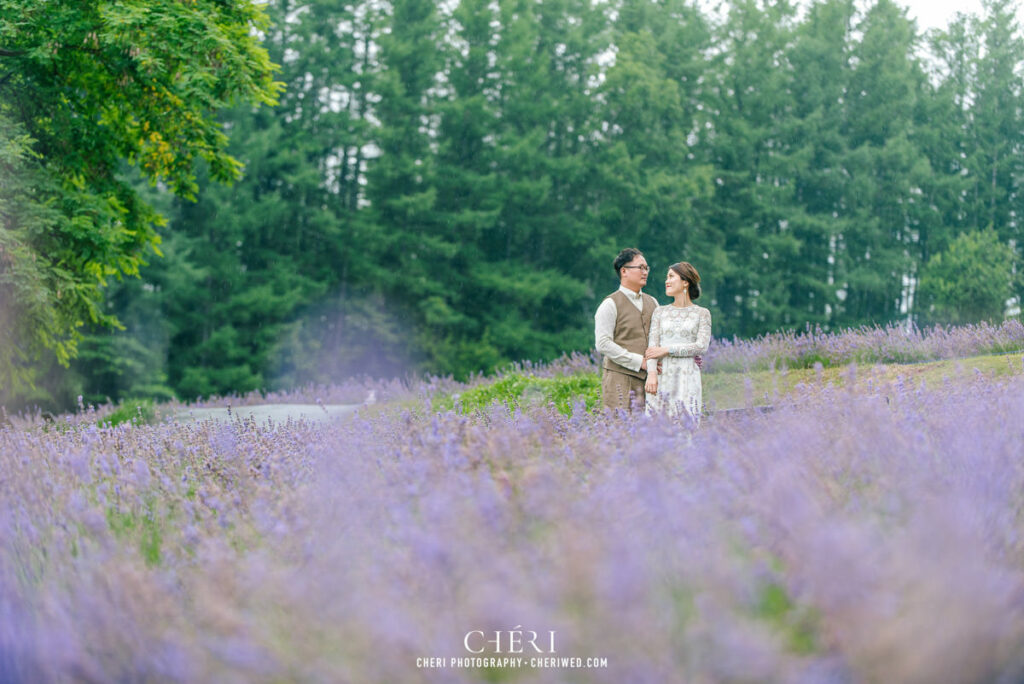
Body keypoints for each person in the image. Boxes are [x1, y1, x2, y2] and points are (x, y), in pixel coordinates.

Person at [643, 262, 712, 422]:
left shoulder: (702, 314)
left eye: (671, 276)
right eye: (667, 277)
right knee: (658, 428)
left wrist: (667, 350)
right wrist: (651, 375)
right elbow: (652, 348)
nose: (667, 281)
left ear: (685, 282)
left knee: (685, 426)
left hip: (687, 376)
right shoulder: (660, 312)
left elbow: (701, 346)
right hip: (662, 376)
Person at [594, 248, 659, 411]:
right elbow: (603, 344)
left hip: (652, 381)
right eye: (640, 267)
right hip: (619, 380)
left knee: (653, 432)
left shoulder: (653, 302)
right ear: (624, 271)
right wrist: (639, 362)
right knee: (621, 431)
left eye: (647, 268)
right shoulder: (609, 304)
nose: (645, 272)